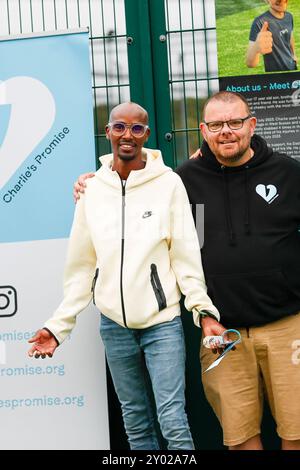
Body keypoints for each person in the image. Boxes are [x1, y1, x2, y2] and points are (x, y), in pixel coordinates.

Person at [74, 92, 300, 450]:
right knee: (241, 438)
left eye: (235, 123)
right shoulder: (183, 180)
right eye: (216, 125)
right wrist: (93, 184)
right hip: (221, 331)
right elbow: (130, 192)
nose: (226, 132)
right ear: (203, 130)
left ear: (251, 125)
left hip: (288, 326)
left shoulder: (289, 173)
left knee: (296, 433)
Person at [28, 102, 221, 451]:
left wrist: (203, 311)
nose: (127, 135)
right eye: (119, 127)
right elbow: (82, 267)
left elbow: (186, 258)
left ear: (146, 135)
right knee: (135, 424)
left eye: (136, 129)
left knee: (173, 420)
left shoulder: (169, 184)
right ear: (108, 132)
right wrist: (58, 327)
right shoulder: (92, 190)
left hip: (161, 323)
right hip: (114, 326)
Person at [246, 0, 297, 72]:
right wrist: (256, 48)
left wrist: (294, 54)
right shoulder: (260, 22)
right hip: (275, 74)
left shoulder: (289, 16)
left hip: (292, 67)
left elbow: (290, 36)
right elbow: (250, 63)